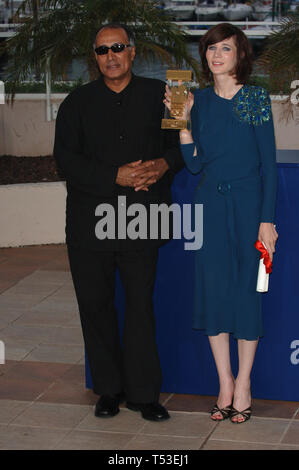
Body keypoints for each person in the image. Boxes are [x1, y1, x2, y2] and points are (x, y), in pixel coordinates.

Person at [54, 23, 184, 421]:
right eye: (102, 50)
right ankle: (108, 391)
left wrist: (164, 165)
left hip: (142, 221)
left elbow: (185, 146)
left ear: (131, 52)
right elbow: (67, 161)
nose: (110, 55)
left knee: (141, 308)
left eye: (118, 47)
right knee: (96, 307)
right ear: (95, 58)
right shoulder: (74, 103)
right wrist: (115, 176)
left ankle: (145, 395)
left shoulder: (165, 96)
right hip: (90, 224)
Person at [165, 23, 278, 423]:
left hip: (249, 208)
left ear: (239, 56)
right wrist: (182, 119)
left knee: (248, 293)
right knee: (213, 294)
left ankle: (244, 384)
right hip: (210, 205)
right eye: (211, 48)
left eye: (225, 48)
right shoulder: (200, 102)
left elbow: (269, 166)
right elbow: (194, 164)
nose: (216, 55)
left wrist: (267, 221)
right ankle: (224, 383)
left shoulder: (255, 98)